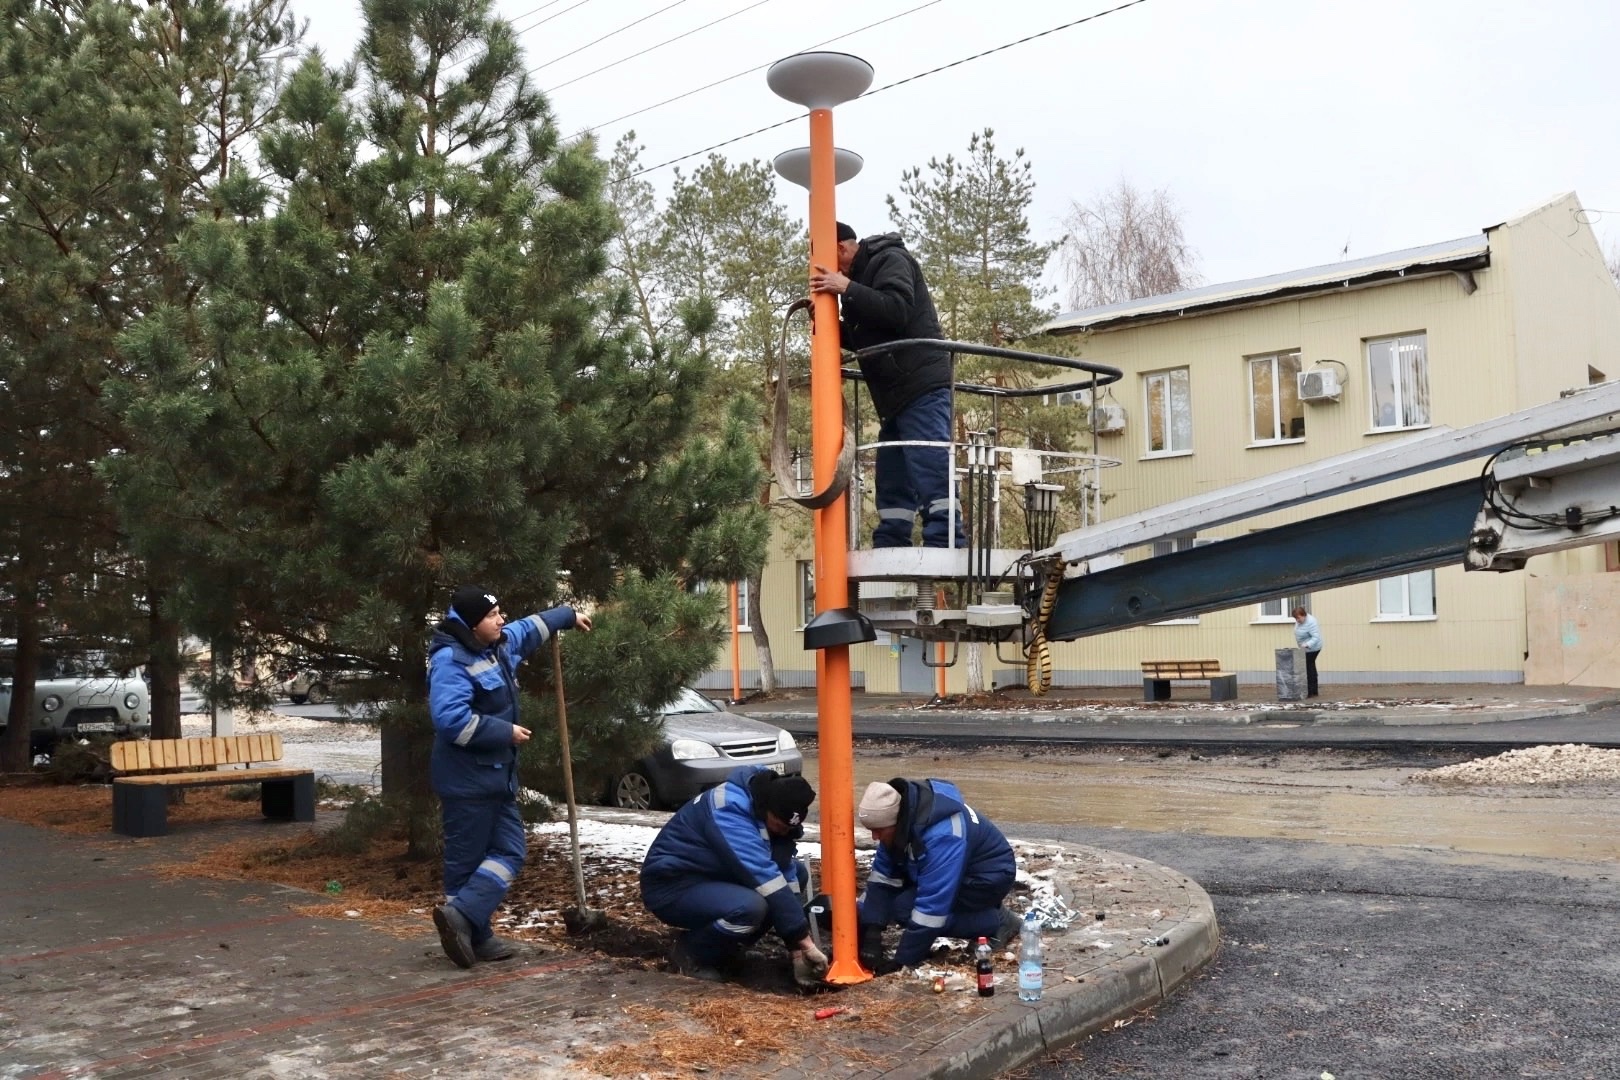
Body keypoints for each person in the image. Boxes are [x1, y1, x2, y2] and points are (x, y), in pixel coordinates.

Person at [427, 585, 591, 969]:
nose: (501, 619)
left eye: (500, 612)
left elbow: (529, 628)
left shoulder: (496, 643)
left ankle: (463, 919)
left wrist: (566, 615)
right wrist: (504, 732)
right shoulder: (452, 660)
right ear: (472, 624)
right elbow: (451, 720)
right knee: (465, 863)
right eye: (492, 615)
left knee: (510, 851)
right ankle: (474, 933)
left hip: (497, 779)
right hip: (466, 781)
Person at [810, 223, 966, 549]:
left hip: (920, 385)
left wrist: (847, 288)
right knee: (892, 473)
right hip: (895, 397)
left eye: (829, 265)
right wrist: (826, 322)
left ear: (840, 249)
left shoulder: (890, 259)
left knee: (929, 463)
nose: (830, 273)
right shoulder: (861, 283)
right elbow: (868, 339)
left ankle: (946, 539)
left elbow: (897, 310)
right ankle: (892, 539)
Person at [640, 766, 830, 986]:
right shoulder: (729, 810)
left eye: (788, 830)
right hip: (672, 885)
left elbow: (785, 873)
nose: (782, 833)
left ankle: (726, 951)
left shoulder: (767, 804)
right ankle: (691, 952)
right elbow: (766, 878)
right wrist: (805, 942)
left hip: (712, 875)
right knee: (750, 908)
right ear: (765, 809)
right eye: (779, 826)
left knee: (797, 872)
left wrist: (796, 948)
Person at [855, 777, 1020, 973]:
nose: (875, 837)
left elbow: (931, 910)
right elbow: (883, 880)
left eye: (879, 831)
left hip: (989, 878)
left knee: (906, 909)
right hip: (960, 869)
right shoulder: (900, 821)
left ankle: (996, 922)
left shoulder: (943, 835)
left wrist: (902, 962)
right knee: (900, 900)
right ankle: (987, 915)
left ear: (896, 822)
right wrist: (872, 930)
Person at [1292, 605, 1323, 698]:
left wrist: (1307, 644)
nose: (1297, 620)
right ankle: (1313, 691)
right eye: (1295, 619)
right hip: (1305, 648)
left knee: (1308, 668)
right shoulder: (1300, 621)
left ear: (1303, 615)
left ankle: (1310, 691)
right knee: (1310, 667)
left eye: (1298, 618)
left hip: (1313, 648)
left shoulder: (1311, 622)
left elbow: (1316, 637)